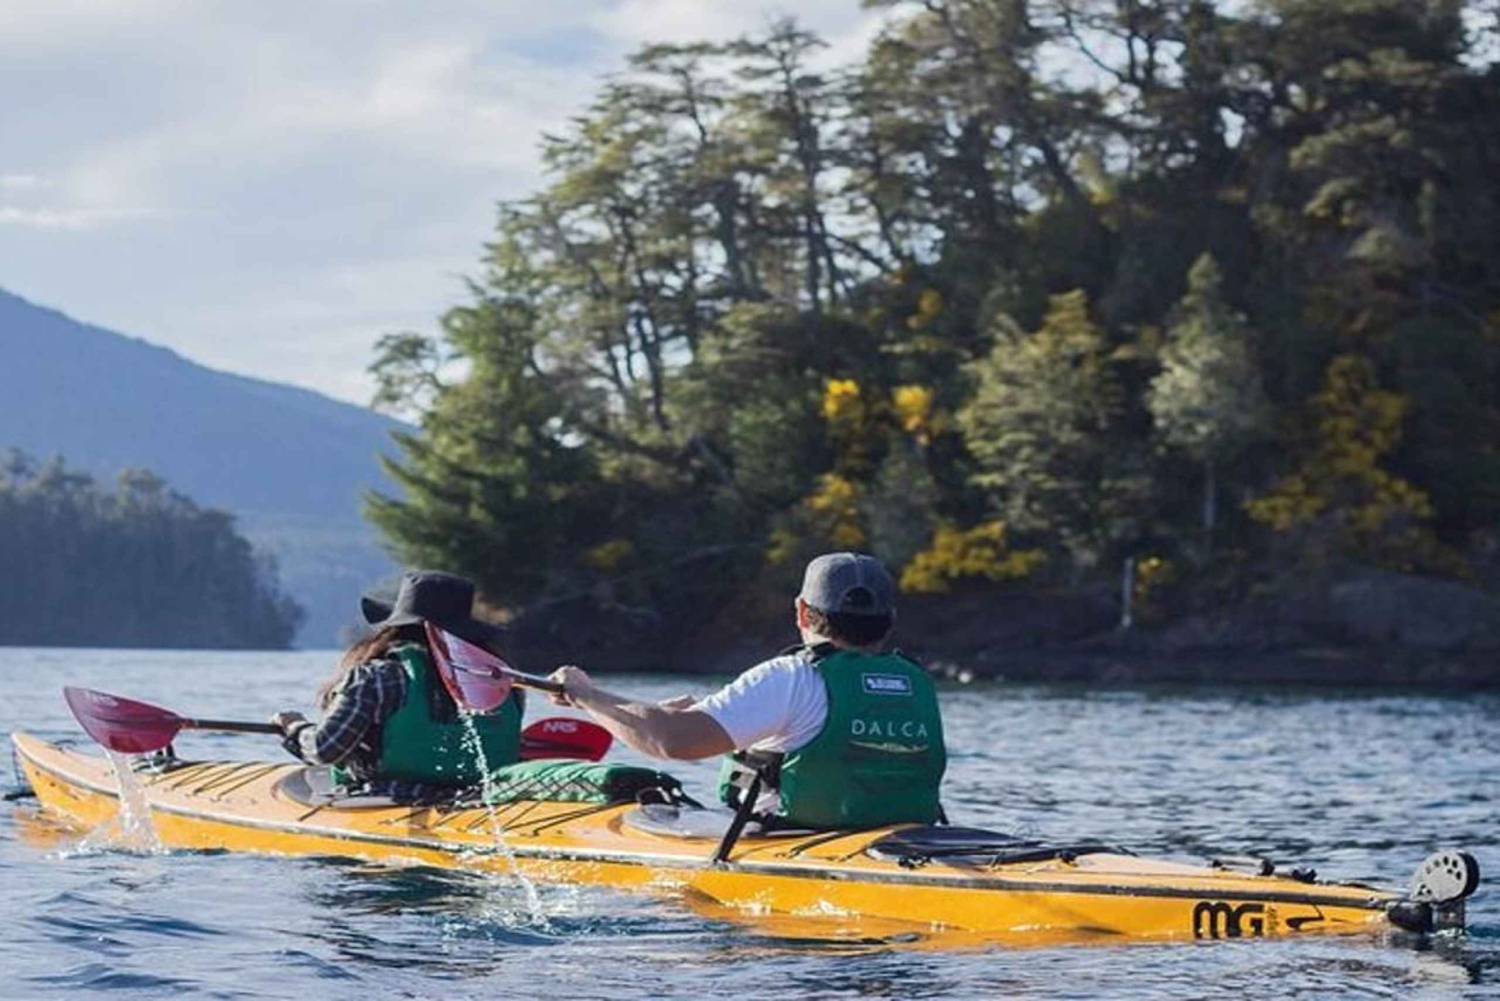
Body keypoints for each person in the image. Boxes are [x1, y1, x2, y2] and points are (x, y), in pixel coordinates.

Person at [548, 553, 946, 829]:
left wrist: (586, 695)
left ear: (803, 612)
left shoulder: (791, 676)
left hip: (795, 841)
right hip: (904, 837)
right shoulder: (915, 680)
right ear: (890, 619)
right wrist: (704, 716)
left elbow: (673, 741)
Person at [271, 570, 523, 793]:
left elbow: (326, 749)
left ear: (394, 626)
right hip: (480, 799)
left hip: (388, 796)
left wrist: (294, 727)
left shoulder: (377, 677)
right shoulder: (503, 680)